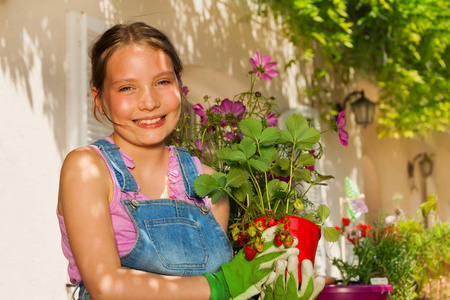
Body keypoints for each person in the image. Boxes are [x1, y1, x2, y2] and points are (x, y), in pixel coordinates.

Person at [57, 22, 323, 300]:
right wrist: (222, 286)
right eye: (126, 88)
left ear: (179, 84)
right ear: (99, 99)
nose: (149, 102)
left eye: (162, 82)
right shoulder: (88, 168)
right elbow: (106, 286)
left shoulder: (207, 186)